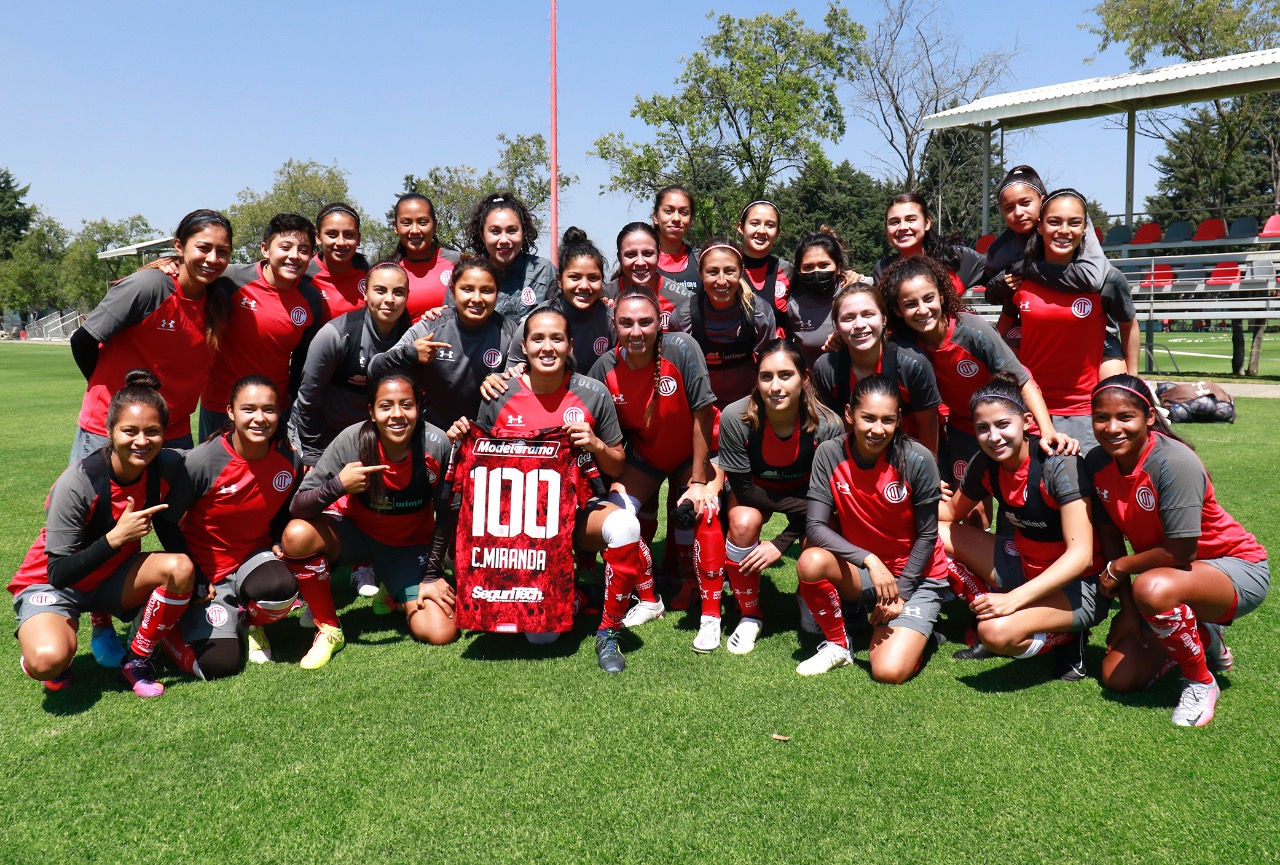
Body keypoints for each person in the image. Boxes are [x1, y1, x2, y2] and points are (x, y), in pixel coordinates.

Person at [445, 307, 655, 670]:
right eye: (538, 339)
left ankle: (608, 632)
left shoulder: (593, 393)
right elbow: (479, 467)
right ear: (523, 347)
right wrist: (459, 438)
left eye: (556, 338)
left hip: (576, 514)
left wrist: (595, 445)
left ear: (570, 345)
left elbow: (617, 464)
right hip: (521, 531)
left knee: (626, 526)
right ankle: (573, 593)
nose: (547, 347)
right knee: (541, 636)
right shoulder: (498, 393)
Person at [1088, 375, 1269, 727]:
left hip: (1234, 568)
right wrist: (1126, 612)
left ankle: (1200, 681)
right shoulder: (1097, 462)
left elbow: (1181, 551)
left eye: (1125, 417)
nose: (1112, 428)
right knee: (1118, 678)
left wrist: (1121, 567)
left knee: (1152, 588)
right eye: (1101, 417)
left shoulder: (1173, 462)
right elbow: (1109, 537)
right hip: (1171, 577)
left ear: (1149, 418)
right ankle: (1202, 630)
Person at [10, 370, 194, 698]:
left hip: (109, 580)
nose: (141, 441)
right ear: (109, 431)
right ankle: (50, 651)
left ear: (164, 434)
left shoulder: (165, 466)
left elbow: (211, 458)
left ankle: (138, 658)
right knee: (47, 660)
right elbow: (59, 571)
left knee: (181, 568)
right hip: (54, 584)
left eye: (152, 431)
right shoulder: (77, 482)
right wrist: (114, 539)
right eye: (129, 431)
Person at [280, 372, 453, 668]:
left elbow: (447, 513)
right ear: (371, 411)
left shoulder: (436, 443)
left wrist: (431, 574)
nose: (397, 414)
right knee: (296, 535)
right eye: (386, 406)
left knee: (441, 631)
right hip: (354, 536)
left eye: (406, 405)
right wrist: (339, 485)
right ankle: (329, 627)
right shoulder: (351, 440)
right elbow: (298, 506)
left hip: (407, 547)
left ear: (419, 407)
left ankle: (393, 590)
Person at [937, 373, 1104, 681]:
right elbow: (947, 515)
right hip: (1024, 564)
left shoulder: (1058, 463)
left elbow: (1080, 556)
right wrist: (915, 490)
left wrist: (1012, 600)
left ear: (1027, 421)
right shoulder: (985, 463)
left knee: (995, 633)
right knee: (931, 534)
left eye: (1003, 424)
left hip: (1078, 585)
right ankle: (990, 605)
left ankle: (1068, 636)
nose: (994, 436)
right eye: (983, 428)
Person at [587, 288, 726, 650]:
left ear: (659, 325)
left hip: (693, 455)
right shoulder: (605, 367)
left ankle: (712, 615)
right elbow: (580, 407)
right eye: (626, 323)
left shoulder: (681, 348)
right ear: (614, 325)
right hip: (646, 458)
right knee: (616, 515)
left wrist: (698, 481)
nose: (636, 331)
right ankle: (649, 599)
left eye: (645, 322)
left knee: (705, 509)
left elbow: (703, 414)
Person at [795, 374, 949, 681]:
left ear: (898, 420)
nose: (878, 430)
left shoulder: (918, 459)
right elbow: (814, 525)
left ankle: (921, 629)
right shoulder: (829, 452)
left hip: (915, 577)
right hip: (867, 570)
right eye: (868, 418)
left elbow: (928, 535)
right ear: (850, 414)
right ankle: (839, 645)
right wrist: (869, 559)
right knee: (810, 560)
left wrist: (901, 593)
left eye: (887, 420)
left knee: (889, 671)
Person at [878, 253, 1074, 488]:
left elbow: (1023, 382)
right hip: (964, 426)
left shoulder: (973, 330)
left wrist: (1047, 430)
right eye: (910, 304)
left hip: (1007, 419)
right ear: (898, 311)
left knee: (1023, 491)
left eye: (928, 298)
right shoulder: (904, 345)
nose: (922, 309)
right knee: (972, 501)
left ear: (941, 295)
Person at [70, 209, 232, 461]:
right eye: (203, 247)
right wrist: (108, 387)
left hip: (173, 430)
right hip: (114, 426)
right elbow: (82, 340)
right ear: (179, 246)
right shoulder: (149, 286)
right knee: (98, 501)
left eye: (222, 251)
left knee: (169, 501)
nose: (212, 258)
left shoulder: (220, 297)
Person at [167, 375, 301, 678]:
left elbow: (282, 506)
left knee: (281, 588)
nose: (259, 418)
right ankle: (169, 631)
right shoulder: (203, 460)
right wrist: (196, 576)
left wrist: (279, 537)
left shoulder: (289, 460)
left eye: (269, 409)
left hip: (252, 557)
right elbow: (167, 520)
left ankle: (250, 623)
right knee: (219, 665)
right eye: (248, 409)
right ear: (230, 412)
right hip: (205, 572)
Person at [717, 339, 844, 654]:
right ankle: (749, 612)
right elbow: (744, 489)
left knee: (821, 529)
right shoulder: (736, 416)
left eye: (785, 375)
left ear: (804, 379)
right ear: (756, 381)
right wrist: (808, 511)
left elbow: (825, 498)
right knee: (744, 522)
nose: (775, 386)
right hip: (756, 490)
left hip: (806, 492)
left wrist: (781, 542)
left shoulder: (829, 425)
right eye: (766, 376)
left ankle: (808, 597)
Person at [981, 165, 1133, 377]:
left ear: (1042, 200)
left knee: (1114, 387)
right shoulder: (1001, 250)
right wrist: (1000, 283)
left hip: (1093, 329)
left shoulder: (1069, 221)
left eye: (1026, 203)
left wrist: (1026, 267)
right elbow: (993, 293)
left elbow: (1092, 277)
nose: (1018, 213)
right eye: (1008, 207)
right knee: (1007, 372)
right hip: (1034, 327)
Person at [198, 213, 325, 441]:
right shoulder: (229, 279)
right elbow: (190, 272)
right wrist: (170, 263)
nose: (294, 256)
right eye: (285, 247)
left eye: (304, 250)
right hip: (221, 404)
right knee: (216, 474)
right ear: (265, 249)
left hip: (274, 408)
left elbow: (301, 362)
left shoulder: (312, 300)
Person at [1006, 189, 1113, 450]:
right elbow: (1003, 333)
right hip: (1029, 408)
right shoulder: (1020, 281)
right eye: (1054, 222)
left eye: (1074, 222)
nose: (1063, 230)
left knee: (1081, 488)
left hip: (1082, 412)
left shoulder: (1102, 281)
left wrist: (1133, 377)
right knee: (1031, 489)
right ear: (1040, 227)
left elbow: (1128, 323)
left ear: (1085, 229)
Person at [369, 257, 523, 431]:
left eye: (487, 291)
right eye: (467, 289)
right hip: (434, 433)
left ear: (497, 292)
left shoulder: (510, 333)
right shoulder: (431, 326)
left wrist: (504, 380)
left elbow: (525, 384)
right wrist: (410, 354)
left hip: (486, 436)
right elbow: (374, 368)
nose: (477, 298)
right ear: (452, 291)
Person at [292, 261, 412, 467]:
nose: (389, 300)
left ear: (407, 296)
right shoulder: (335, 335)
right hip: (321, 436)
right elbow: (308, 399)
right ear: (365, 293)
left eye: (398, 292)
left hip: (373, 438)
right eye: (380, 291)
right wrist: (312, 453)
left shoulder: (410, 335)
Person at [812, 282, 942, 454]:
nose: (859, 325)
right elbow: (829, 429)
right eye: (848, 318)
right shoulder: (826, 368)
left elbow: (929, 426)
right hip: (852, 461)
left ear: (884, 318)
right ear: (837, 326)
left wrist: (925, 473)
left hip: (908, 457)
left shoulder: (912, 364)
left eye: (868, 314)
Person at [675, 237, 777, 410]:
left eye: (729, 271)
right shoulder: (684, 317)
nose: (721, 281)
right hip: (701, 408)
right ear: (700, 273)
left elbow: (769, 365)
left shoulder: (760, 312)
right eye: (712, 272)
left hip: (747, 406)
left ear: (741, 271)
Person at [457, 192, 555, 322]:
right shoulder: (465, 272)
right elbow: (449, 322)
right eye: (495, 232)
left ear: (523, 232)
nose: (504, 240)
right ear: (482, 235)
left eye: (512, 230)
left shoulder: (544, 271)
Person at [536, 227, 615, 371]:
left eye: (593, 278)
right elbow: (515, 370)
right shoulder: (538, 319)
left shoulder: (613, 320)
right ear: (560, 280)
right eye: (574, 277)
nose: (584, 286)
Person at [873, 193, 984, 293]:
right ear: (886, 229)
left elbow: (995, 268)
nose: (902, 227)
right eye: (894, 222)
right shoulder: (883, 269)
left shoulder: (955, 257)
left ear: (927, 223)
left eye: (911, 220)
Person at [777, 228, 853, 369]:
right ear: (799, 271)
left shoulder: (857, 293)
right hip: (810, 385)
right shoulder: (792, 306)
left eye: (824, 265)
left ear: (838, 267)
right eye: (808, 267)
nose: (816, 272)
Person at [605, 222, 694, 331]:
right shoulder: (602, 296)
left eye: (648, 254)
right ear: (619, 257)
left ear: (659, 254)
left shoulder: (683, 299)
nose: (640, 262)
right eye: (631, 255)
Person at [392, 192, 460, 320]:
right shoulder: (387, 271)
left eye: (422, 222)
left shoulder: (458, 262)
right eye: (406, 223)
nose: (415, 230)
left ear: (435, 225)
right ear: (395, 227)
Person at [309, 202, 368, 320]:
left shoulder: (370, 275)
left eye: (349, 235)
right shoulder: (303, 278)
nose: (341, 242)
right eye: (332, 234)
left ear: (358, 238)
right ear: (318, 237)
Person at [737, 200, 792, 309]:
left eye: (770, 225)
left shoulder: (788, 271)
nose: (762, 231)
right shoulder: (726, 269)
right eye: (754, 223)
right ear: (741, 228)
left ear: (777, 233)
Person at [653, 185, 701, 292]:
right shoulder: (641, 262)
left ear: (691, 220)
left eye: (684, 212)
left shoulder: (701, 260)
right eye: (669, 211)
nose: (676, 218)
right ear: (656, 217)